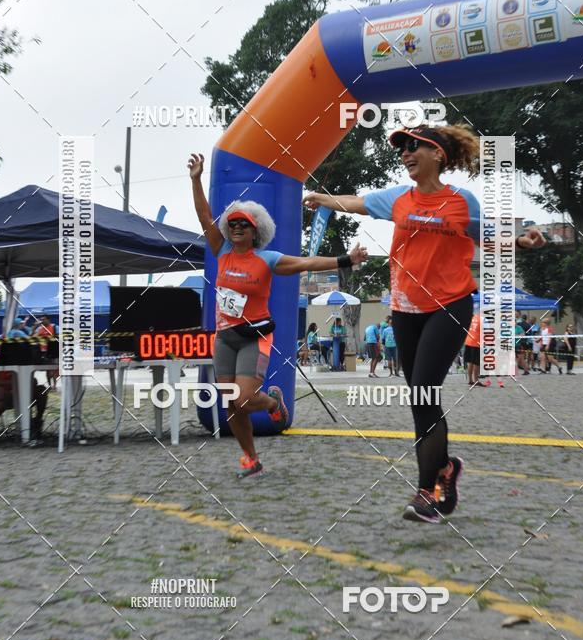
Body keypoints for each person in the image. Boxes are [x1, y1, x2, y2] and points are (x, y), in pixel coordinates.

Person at [304, 124, 545, 522]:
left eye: (415, 147)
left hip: (449, 305)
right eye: (403, 149)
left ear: (438, 155)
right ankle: (445, 470)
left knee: (423, 392)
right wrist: (322, 198)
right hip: (404, 308)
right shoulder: (398, 198)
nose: (406, 154)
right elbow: (358, 202)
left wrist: (521, 241)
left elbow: (488, 235)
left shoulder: (460, 201)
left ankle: (428, 491)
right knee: (420, 400)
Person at [189, 153, 367, 479]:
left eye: (245, 224)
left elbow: (306, 264)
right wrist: (196, 179)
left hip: (254, 337)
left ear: (255, 232)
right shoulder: (223, 251)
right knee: (231, 405)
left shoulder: (268, 258)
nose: (238, 227)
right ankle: (250, 459)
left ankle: (272, 403)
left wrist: (346, 259)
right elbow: (204, 215)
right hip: (225, 338)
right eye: (234, 223)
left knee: (243, 399)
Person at [464, 312, 482, 386]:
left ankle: (470, 380)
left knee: (470, 362)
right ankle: (476, 380)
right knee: (476, 363)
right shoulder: (482, 319)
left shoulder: (472, 318)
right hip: (476, 342)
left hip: (468, 341)